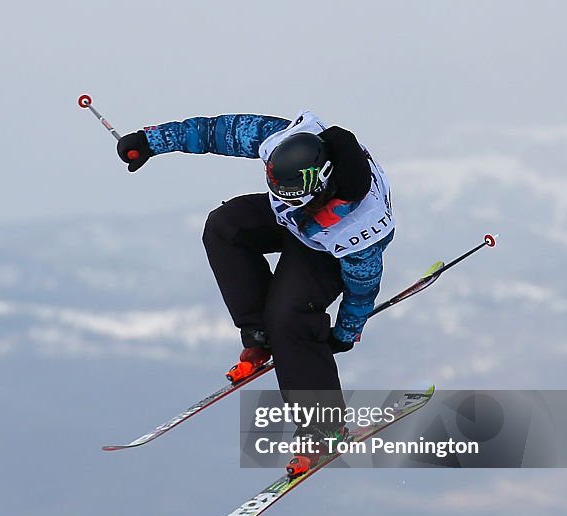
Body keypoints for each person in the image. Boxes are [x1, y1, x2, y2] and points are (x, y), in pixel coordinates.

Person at [116, 110, 395, 477]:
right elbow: (217, 132)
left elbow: (363, 287)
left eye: (296, 198)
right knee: (224, 225)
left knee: (290, 316)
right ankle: (260, 332)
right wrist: (151, 141)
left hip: (325, 250)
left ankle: (324, 429)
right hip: (294, 225)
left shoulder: (360, 226)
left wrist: (345, 332)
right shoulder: (286, 139)